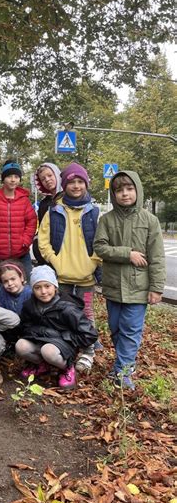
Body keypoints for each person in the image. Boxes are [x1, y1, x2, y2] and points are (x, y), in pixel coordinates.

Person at [93, 171, 165, 390]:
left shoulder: (150, 220)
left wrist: (156, 288)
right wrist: (128, 254)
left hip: (138, 287)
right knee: (115, 328)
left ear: (137, 190)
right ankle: (124, 363)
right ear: (114, 194)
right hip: (114, 285)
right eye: (119, 190)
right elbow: (99, 247)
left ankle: (123, 372)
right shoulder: (106, 219)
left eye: (129, 189)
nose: (124, 194)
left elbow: (157, 257)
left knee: (131, 330)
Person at [38, 162, 101, 373]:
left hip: (86, 277)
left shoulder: (94, 212)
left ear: (86, 183)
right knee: (61, 313)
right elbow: (43, 241)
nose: (76, 186)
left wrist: (94, 261)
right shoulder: (55, 211)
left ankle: (88, 351)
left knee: (87, 314)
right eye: (71, 182)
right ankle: (68, 346)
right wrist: (55, 261)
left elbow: (102, 242)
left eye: (80, 181)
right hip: (62, 277)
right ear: (64, 185)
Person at [16, 266, 97, 390]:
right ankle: (42, 365)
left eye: (47, 286)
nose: (43, 291)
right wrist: (41, 332)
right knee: (20, 345)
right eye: (38, 287)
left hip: (64, 345)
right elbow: (25, 326)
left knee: (48, 351)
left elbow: (90, 334)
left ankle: (67, 368)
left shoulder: (68, 308)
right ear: (32, 289)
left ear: (55, 286)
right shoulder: (30, 306)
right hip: (40, 340)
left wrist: (64, 337)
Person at [0, 159, 37, 279]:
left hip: (22, 252)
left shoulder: (24, 200)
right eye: (9, 176)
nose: (13, 180)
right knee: (4, 284)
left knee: (27, 282)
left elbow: (31, 222)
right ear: (3, 179)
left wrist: (26, 240)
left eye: (16, 176)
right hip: (3, 254)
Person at [32, 162, 62, 265]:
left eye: (50, 175)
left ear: (57, 175)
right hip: (47, 257)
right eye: (43, 179)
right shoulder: (44, 204)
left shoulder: (69, 199)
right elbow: (41, 230)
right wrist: (37, 247)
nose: (47, 180)